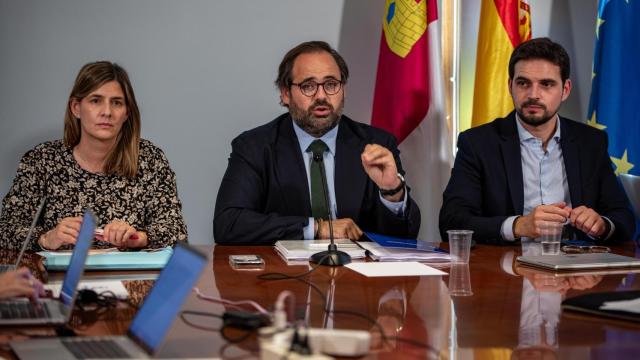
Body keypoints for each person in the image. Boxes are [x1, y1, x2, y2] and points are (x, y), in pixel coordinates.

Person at [214, 41, 420, 245]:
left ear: (343, 90)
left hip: (357, 273)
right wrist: (317, 228)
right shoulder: (255, 147)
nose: (321, 96)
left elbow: (406, 236)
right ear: (286, 93)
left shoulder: (377, 144)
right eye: (308, 86)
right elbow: (229, 224)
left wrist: (392, 191)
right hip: (283, 274)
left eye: (331, 85)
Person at [439, 37, 635, 244]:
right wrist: (517, 226)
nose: (533, 94)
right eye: (523, 83)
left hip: (575, 268)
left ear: (565, 90)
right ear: (510, 86)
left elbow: (624, 217)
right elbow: (452, 222)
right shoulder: (477, 143)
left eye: (546, 84)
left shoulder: (591, 143)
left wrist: (601, 225)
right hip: (507, 269)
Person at [0, 61, 188, 251]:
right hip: (59, 279)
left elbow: (177, 233)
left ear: (126, 112)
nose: (107, 112)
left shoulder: (150, 159)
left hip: (131, 278)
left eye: (117, 103)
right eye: (95, 100)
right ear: (76, 108)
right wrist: (46, 238)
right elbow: (6, 230)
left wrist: (139, 238)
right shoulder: (41, 160)